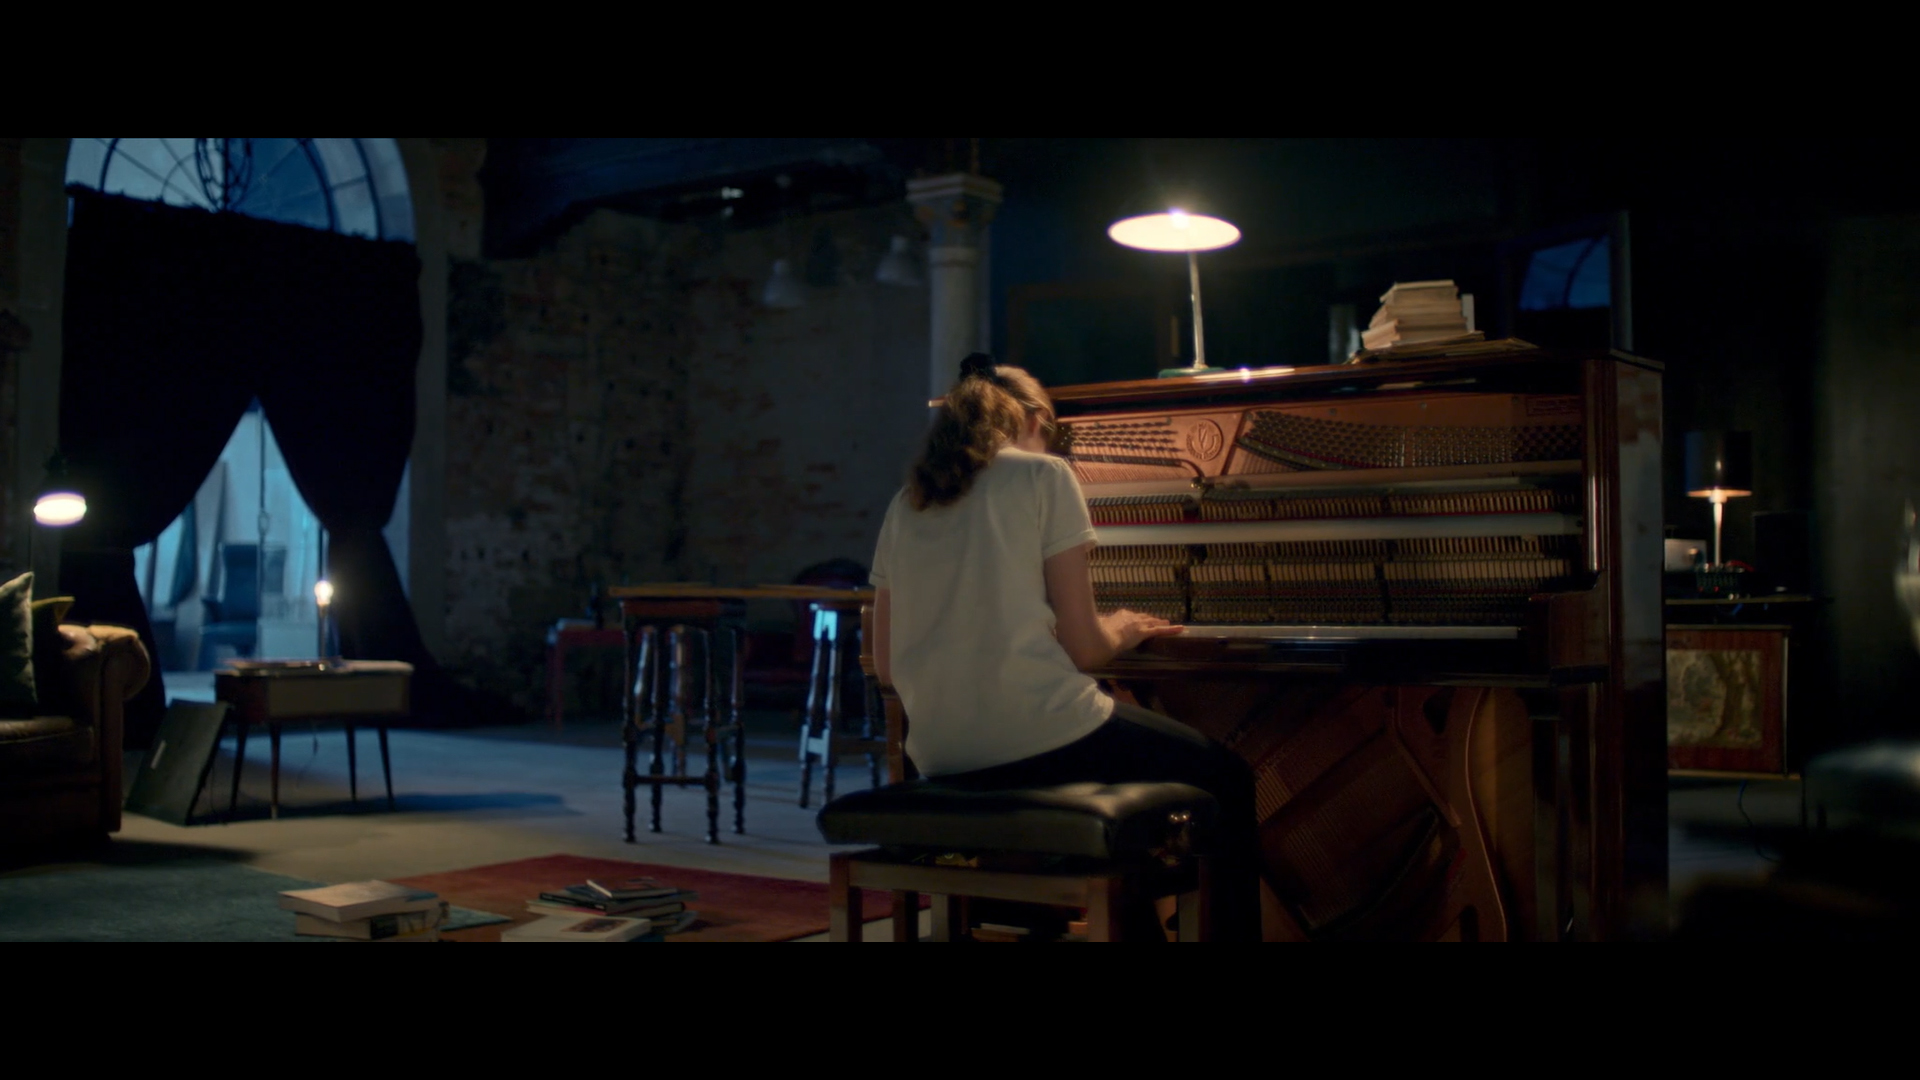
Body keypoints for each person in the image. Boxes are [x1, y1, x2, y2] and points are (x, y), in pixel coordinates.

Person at [869, 352, 1261, 941]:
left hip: (942, 756)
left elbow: (884, 664)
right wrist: (1122, 627)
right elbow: (1085, 652)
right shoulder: (1044, 476)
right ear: (1031, 419)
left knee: (1126, 797)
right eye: (1050, 430)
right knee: (1226, 777)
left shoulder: (908, 502)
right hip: (1040, 739)